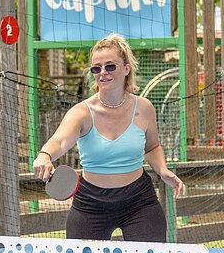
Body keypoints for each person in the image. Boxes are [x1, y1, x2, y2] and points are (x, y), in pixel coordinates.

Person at [33, 32, 185, 241]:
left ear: (126, 68)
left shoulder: (144, 108)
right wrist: (44, 154)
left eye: (110, 66)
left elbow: (152, 147)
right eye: (96, 68)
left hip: (138, 201)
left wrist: (162, 170)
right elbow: (59, 140)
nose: (103, 72)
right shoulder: (81, 112)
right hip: (90, 203)